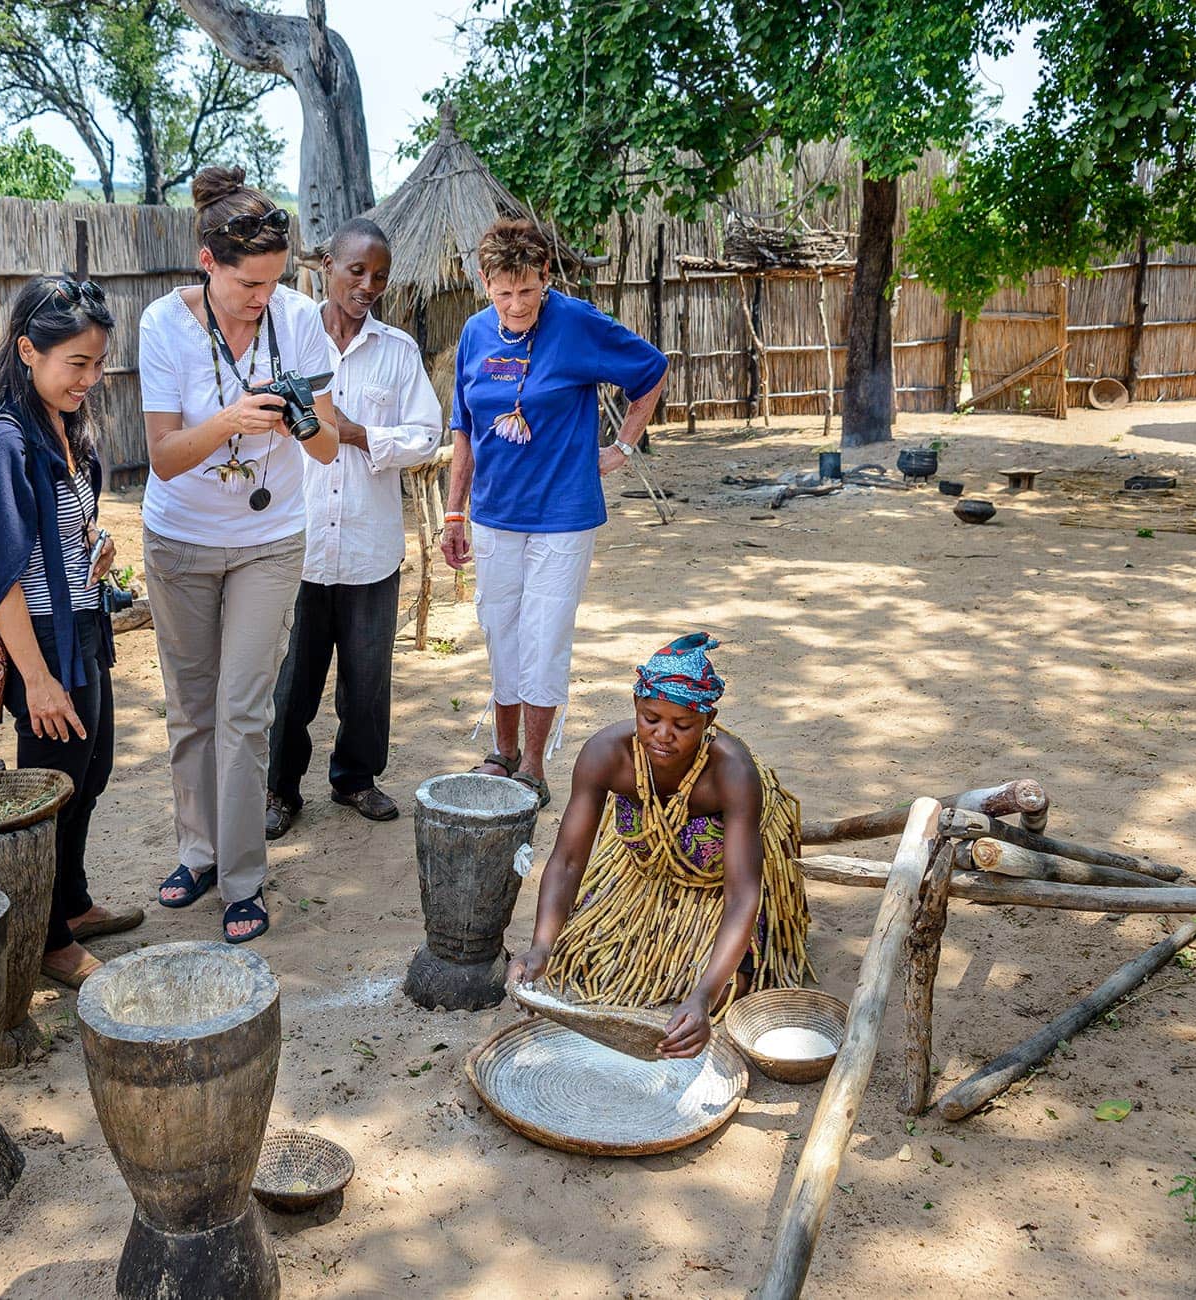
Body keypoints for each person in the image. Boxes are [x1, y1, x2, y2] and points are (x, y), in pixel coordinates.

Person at [136, 165, 342, 943]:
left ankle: (244, 879)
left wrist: (297, 423)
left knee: (244, 712)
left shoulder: (299, 320)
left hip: (267, 542)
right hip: (181, 539)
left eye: (274, 282)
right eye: (248, 284)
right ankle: (198, 852)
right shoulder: (163, 324)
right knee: (191, 708)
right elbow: (162, 456)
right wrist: (231, 421)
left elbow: (325, 449)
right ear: (208, 262)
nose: (263, 298)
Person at [441, 217, 668, 808]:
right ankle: (503, 749)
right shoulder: (473, 334)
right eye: (503, 293)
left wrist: (621, 448)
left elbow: (651, 369)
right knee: (500, 631)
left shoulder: (577, 323)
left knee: (543, 637)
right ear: (486, 285)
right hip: (493, 514)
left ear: (545, 275)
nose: (516, 305)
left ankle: (534, 767)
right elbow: (463, 431)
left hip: (563, 515)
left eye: (527, 290)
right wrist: (453, 514)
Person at [0, 274, 142, 989]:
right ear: (29, 350)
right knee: (51, 786)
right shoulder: (5, 442)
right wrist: (35, 678)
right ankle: (49, 938)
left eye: (97, 365)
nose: (89, 379)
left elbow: (54, 534)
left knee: (88, 775)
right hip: (39, 640)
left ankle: (74, 899)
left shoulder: (63, 426)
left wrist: (93, 546)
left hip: (82, 624)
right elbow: (0, 576)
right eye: (77, 364)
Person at [505, 634, 814, 1058]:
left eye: (682, 725)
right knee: (583, 966)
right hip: (646, 872)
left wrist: (705, 996)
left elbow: (742, 894)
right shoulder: (605, 756)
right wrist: (541, 945)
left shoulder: (732, 773)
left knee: (721, 993)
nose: (663, 735)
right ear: (635, 707)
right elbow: (568, 860)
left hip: (716, 887)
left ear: (709, 721)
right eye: (650, 719)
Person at [265, 218, 443, 839]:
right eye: (356, 271)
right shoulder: (286, 340)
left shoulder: (396, 351)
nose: (368, 285)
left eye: (380, 276)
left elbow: (426, 435)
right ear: (326, 264)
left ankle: (356, 779)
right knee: (292, 678)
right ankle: (279, 789)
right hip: (298, 542)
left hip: (370, 544)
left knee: (367, 679)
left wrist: (356, 432)